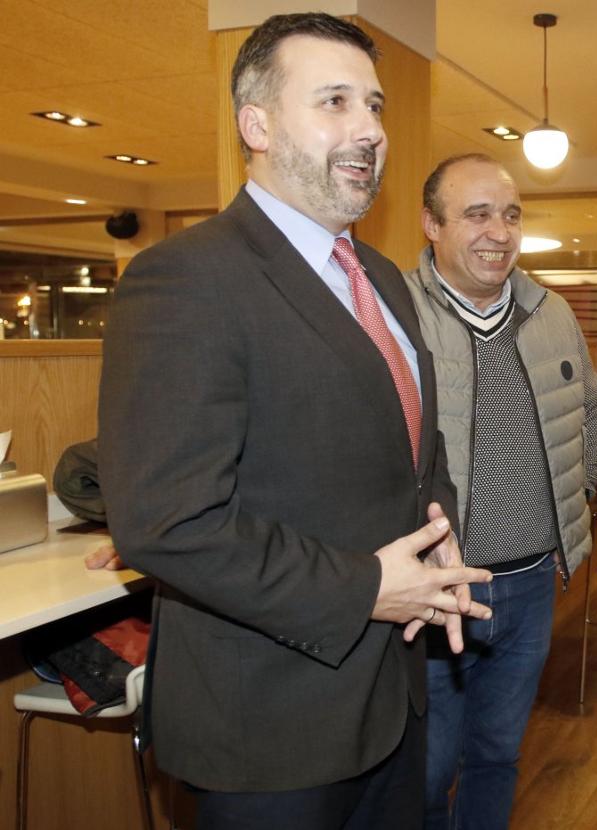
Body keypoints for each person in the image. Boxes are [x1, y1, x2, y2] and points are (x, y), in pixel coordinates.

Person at [98, 14, 492, 829]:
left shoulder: (379, 276)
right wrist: (369, 587)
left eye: (376, 106)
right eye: (336, 102)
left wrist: (438, 529)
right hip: (269, 727)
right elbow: (167, 523)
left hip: (394, 698)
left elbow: (418, 445)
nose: (370, 130)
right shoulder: (185, 278)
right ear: (258, 125)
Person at [405, 153, 597, 829]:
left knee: (496, 756)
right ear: (431, 224)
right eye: (477, 214)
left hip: (528, 587)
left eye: (512, 214)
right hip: (435, 594)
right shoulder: (393, 315)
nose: (499, 231)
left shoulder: (551, 312)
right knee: (427, 772)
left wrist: (574, 514)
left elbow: (590, 413)